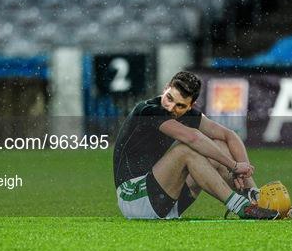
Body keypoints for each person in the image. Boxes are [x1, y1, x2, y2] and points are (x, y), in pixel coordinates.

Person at [113, 71, 279, 220]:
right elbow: (193, 138)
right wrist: (234, 166)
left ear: (190, 105)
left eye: (180, 105)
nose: (171, 107)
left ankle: (258, 199)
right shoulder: (148, 110)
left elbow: (229, 136)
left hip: (163, 198)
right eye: (169, 98)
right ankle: (241, 207)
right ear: (166, 88)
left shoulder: (187, 114)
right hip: (133, 198)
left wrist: (244, 173)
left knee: (219, 145)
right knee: (185, 151)